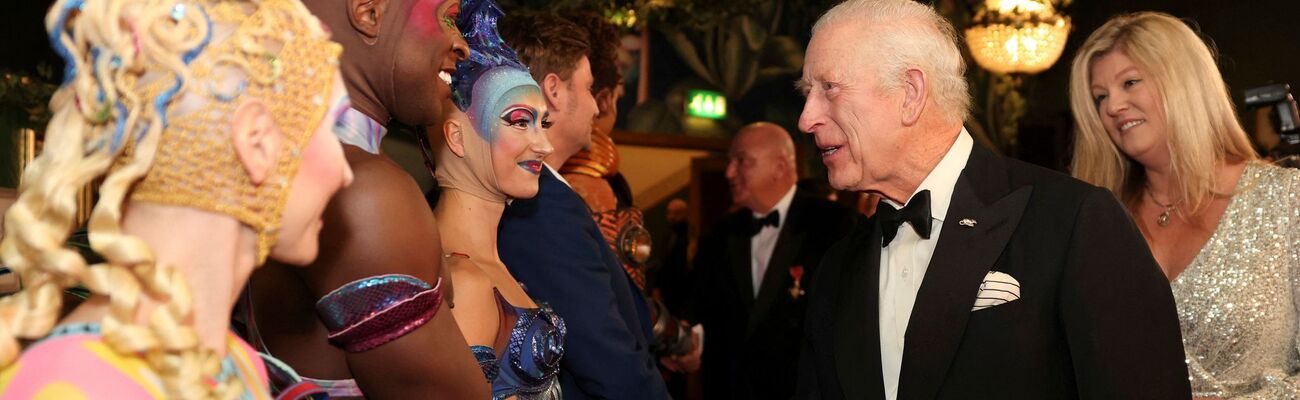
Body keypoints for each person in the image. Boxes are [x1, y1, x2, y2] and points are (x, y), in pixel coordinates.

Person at [793, 1, 1191, 399]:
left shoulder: (1072, 222)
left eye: (829, 89)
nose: (807, 118)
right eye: (808, 94)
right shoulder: (836, 267)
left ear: (910, 93)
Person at [0, 0, 353, 397]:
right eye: (335, 127)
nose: (346, 173)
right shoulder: (77, 387)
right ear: (257, 143)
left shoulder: (230, 360)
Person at [244, 0, 490, 397]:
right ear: (369, 13)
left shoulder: (286, 156)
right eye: (447, 16)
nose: (462, 45)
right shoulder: (361, 190)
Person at [1069, 12, 1300, 399]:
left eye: (1129, 83)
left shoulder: (1286, 201)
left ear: (1184, 83)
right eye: (1100, 97)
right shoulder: (1096, 220)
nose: (1112, 107)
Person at [497, 11, 670, 400]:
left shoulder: (544, 197)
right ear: (553, 91)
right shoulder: (542, 208)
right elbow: (607, 361)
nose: (596, 108)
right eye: (589, 88)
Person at [431, 0, 565, 398]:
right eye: (520, 121)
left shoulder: (487, 264)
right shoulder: (464, 281)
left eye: (544, 123)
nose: (543, 145)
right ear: (456, 137)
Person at [691, 122, 853, 399]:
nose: (729, 172)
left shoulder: (834, 226)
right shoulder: (719, 235)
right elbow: (700, 312)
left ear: (780, 167)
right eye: (730, 162)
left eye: (741, 161)